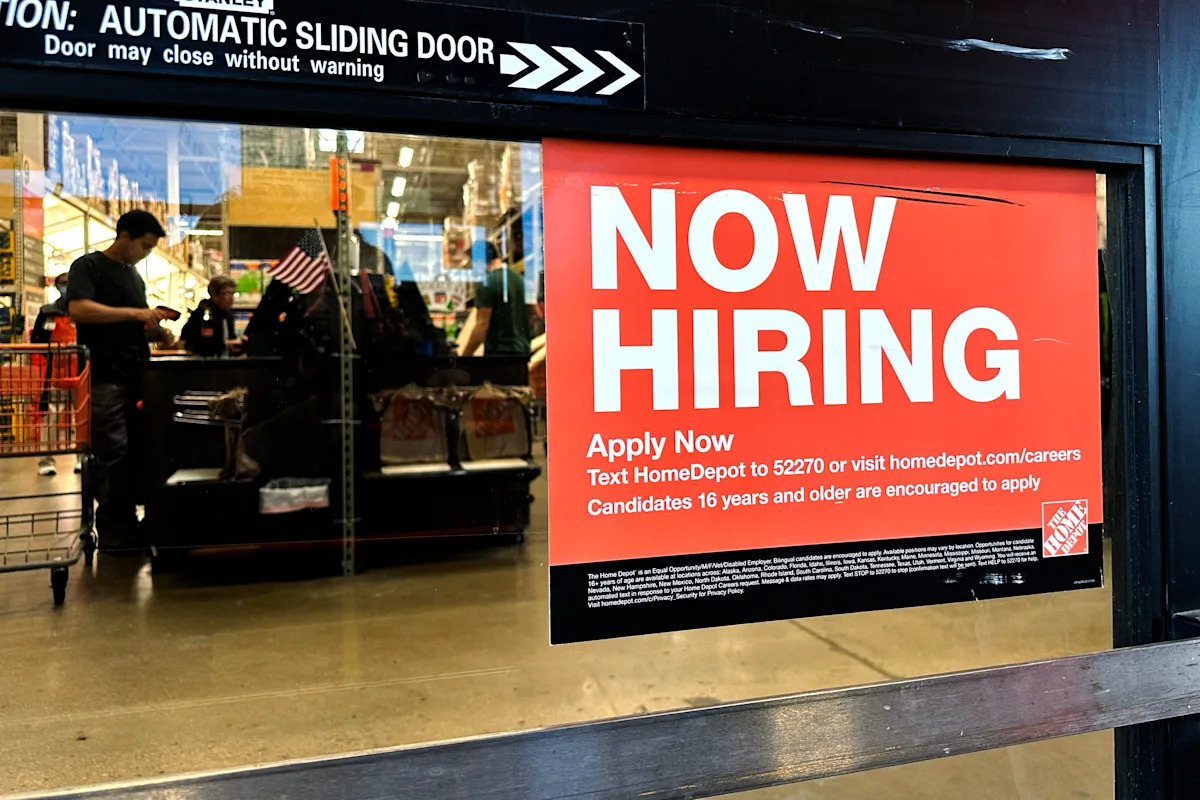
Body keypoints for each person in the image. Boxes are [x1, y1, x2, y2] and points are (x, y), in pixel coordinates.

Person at [66, 210, 175, 552]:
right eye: (145, 246)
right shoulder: (88, 266)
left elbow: (134, 324)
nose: (146, 253)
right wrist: (136, 313)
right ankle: (114, 532)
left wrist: (157, 331)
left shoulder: (133, 277)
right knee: (112, 453)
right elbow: (79, 309)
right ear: (125, 236)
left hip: (136, 376)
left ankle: (131, 524)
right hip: (105, 378)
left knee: (137, 452)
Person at [30, 272, 80, 476]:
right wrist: (54, 355)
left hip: (81, 374)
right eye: (63, 284)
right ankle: (46, 461)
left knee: (83, 419)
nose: (66, 287)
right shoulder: (48, 312)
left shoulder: (84, 310)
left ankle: (82, 459)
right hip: (57, 376)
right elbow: (36, 339)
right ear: (57, 286)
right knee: (52, 417)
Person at [461, 243, 530, 357]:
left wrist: (465, 356)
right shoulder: (521, 280)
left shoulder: (488, 283)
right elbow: (535, 314)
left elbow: (482, 324)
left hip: (499, 357)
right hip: (522, 354)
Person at [181, 275, 238, 357]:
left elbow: (231, 337)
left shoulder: (227, 314)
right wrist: (224, 345)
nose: (231, 298)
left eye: (233, 293)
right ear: (215, 295)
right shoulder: (203, 313)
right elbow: (199, 343)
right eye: (226, 293)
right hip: (204, 361)